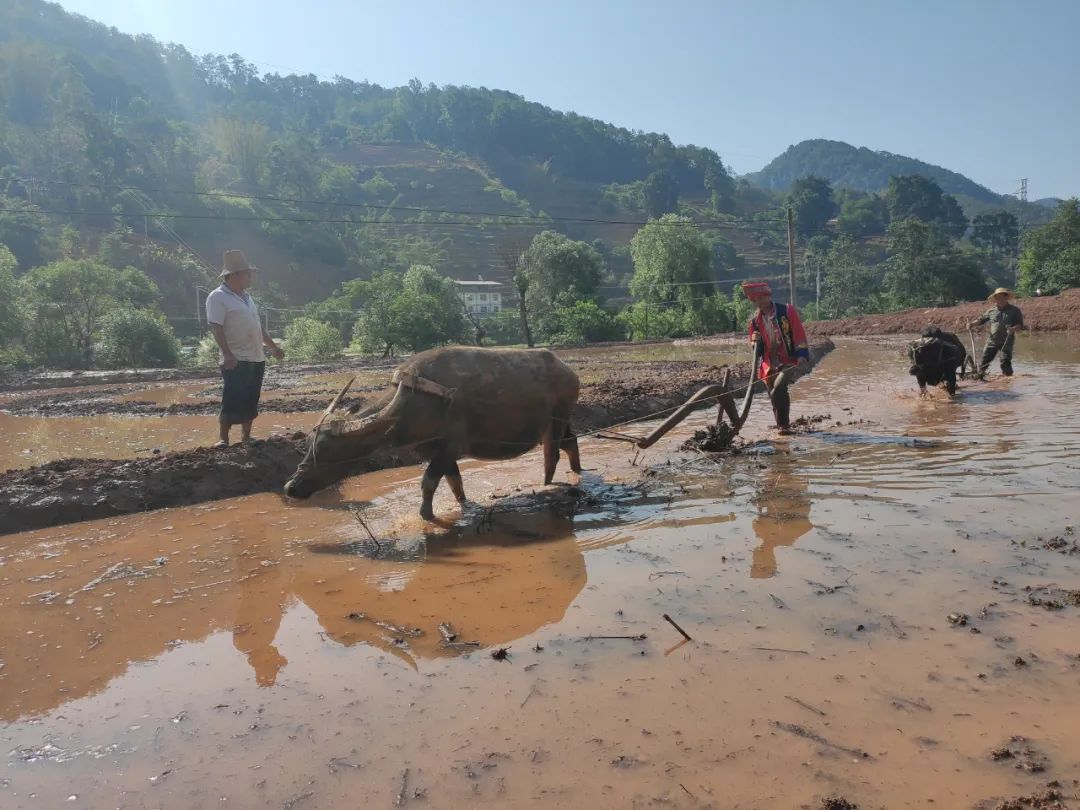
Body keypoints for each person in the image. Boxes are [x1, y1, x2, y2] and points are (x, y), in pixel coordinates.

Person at [205, 250, 284, 448]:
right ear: (233, 275)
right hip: (235, 357)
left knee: (251, 397)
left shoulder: (248, 298)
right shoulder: (217, 297)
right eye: (247, 274)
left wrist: (273, 347)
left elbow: (257, 327)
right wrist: (227, 353)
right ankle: (223, 438)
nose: (250, 277)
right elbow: (216, 326)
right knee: (233, 396)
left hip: (256, 356)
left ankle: (247, 437)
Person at [742, 281, 810, 432]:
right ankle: (782, 427)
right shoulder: (755, 322)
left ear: (768, 296)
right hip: (768, 365)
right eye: (756, 300)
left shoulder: (786, 311)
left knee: (779, 389)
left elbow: (798, 332)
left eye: (761, 298)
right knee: (774, 399)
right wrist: (754, 342)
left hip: (788, 359)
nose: (759, 302)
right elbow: (756, 351)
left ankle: (784, 427)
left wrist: (802, 354)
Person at [969, 287, 1024, 376]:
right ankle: (979, 376)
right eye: (998, 298)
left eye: (1002, 297)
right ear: (995, 299)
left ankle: (1008, 380)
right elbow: (982, 319)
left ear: (1006, 298)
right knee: (984, 361)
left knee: (1005, 361)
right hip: (992, 341)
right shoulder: (991, 310)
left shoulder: (1015, 311)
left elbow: (1020, 325)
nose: (1000, 300)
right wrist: (972, 324)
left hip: (1006, 341)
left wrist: (1013, 329)